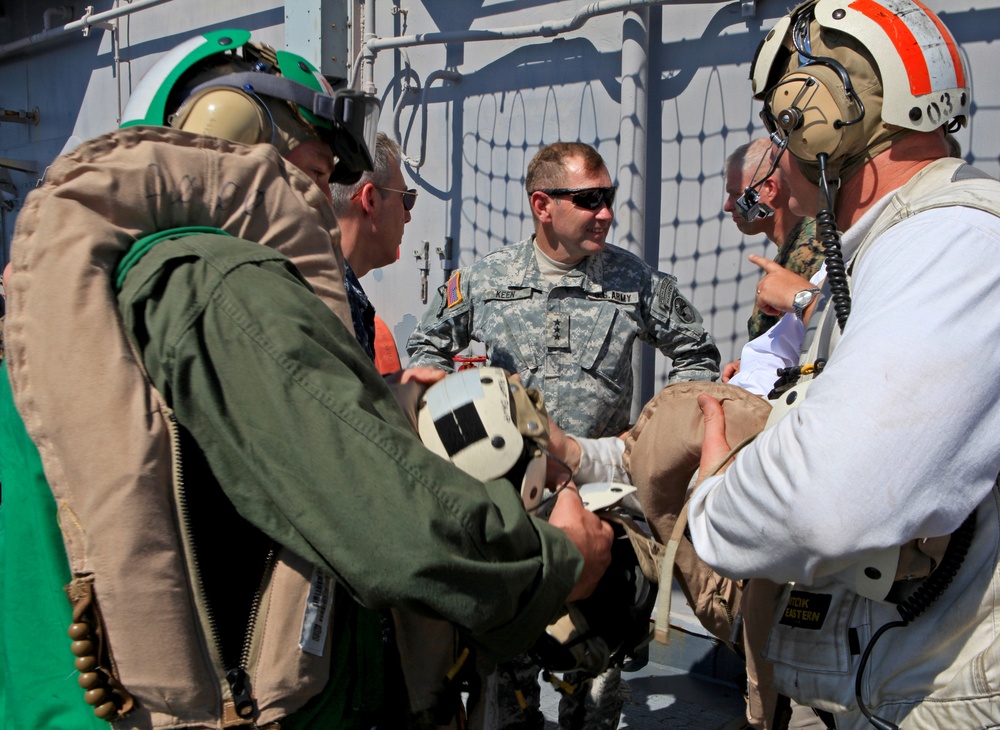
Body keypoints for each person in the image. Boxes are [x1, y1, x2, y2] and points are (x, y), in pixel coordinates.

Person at [0, 30, 614, 730]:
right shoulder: (218, 277)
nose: (328, 203)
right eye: (319, 175)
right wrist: (558, 561)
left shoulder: (121, 281)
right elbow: (390, 527)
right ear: (225, 133)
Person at [689, 1, 1000, 728]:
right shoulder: (893, 247)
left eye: (783, 126)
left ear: (818, 124)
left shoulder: (953, 242)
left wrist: (712, 504)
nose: (780, 146)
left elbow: (827, 496)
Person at [407, 141, 718, 729]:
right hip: (518, 501)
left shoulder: (633, 280)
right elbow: (426, 353)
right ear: (542, 205)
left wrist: (655, 435)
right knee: (508, 664)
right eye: (589, 199)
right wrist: (469, 418)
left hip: (600, 499)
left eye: (609, 199)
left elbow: (695, 355)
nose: (605, 212)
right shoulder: (486, 280)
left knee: (595, 675)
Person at [723, 137, 825, 361]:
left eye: (736, 194)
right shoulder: (796, 248)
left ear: (769, 189)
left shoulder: (812, 250)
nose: (728, 206)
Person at [329, 131, 412, 371]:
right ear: (371, 201)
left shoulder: (323, 279)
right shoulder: (335, 299)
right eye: (406, 199)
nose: (408, 216)